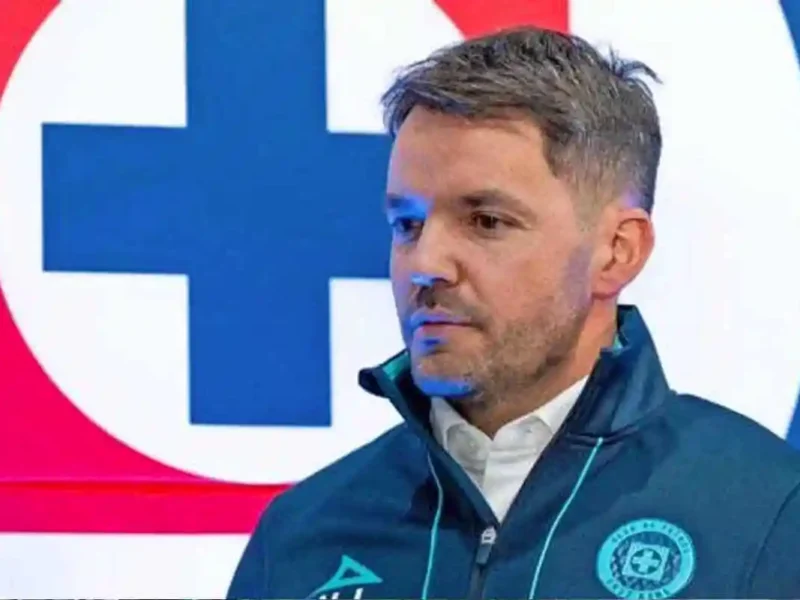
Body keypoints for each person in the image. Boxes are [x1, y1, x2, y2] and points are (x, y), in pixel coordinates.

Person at [228, 26, 800, 599]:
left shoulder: (769, 516)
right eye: (408, 224)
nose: (425, 264)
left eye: (486, 221)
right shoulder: (302, 537)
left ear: (617, 251)